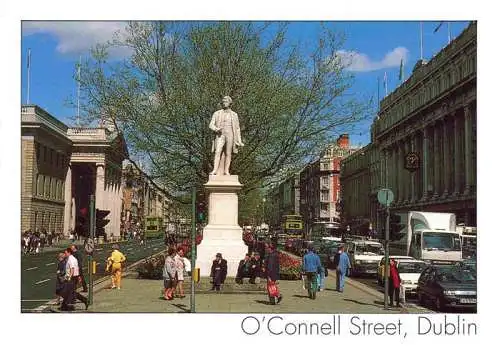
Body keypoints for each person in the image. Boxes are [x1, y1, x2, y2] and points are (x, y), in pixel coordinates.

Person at [209, 96, 244, 175]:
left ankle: (226, 171)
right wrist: (216, 129)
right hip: (220, 134)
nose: (224, 103)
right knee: (217, 151)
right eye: (223, 101)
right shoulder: (217, 113)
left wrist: (239, 141)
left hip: (230, 134)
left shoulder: (234, 115)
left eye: (226, 101)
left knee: (228, 153)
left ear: (230, 103)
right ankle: (215, 170)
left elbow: (237, 128)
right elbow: (211, 124)